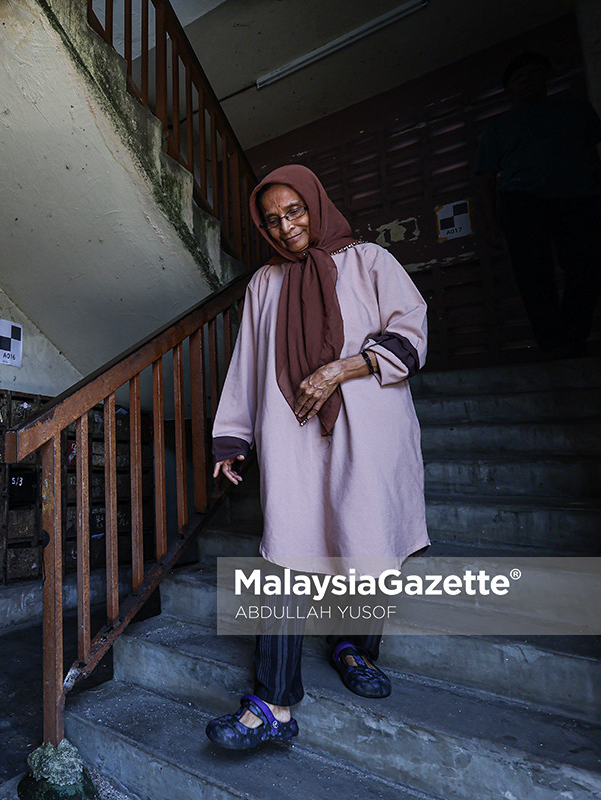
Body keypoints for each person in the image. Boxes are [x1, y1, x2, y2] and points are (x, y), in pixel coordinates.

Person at [205, 164, 430, 750]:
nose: (286, 227)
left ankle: (354, 645)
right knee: (286, 551)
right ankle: (274, 701)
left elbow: (411, 334)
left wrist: (336, 370)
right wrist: (233, 438)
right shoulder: (265, 284)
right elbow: (248, 365)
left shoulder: (370, 262)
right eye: (273, 220)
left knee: (368, 534)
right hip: (293, 429)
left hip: (369, 425)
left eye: (295, 211)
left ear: (316, 205)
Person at [475, 51, 601, 354]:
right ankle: (553, 344)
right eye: (519, 78)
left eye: (534, 73)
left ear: (547, 77)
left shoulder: (575, 111)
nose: (528, 81)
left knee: (587, 267)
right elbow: (485, 179)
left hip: (577, 197)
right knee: (533, 276)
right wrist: (492, 223)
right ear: (509, 89)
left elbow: (593, 158)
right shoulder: (498, 128)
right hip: (522, 203)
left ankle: (572, 338)